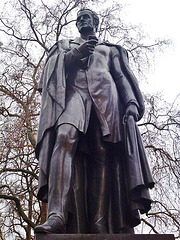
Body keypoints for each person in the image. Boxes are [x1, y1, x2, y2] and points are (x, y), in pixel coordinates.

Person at [34, 8, 154, 234]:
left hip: (106, 100)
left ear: (96, 22)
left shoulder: (110, 50)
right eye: (78, 18)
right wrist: (74, 55)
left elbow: (121, 76)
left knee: (102, 153)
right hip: (73, 97)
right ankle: (57, 214)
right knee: (64, 137)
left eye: (86, 17)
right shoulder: (65, 46)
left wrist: (130, 104)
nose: (81, 21)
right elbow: (49, 75)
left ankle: (100, 221)